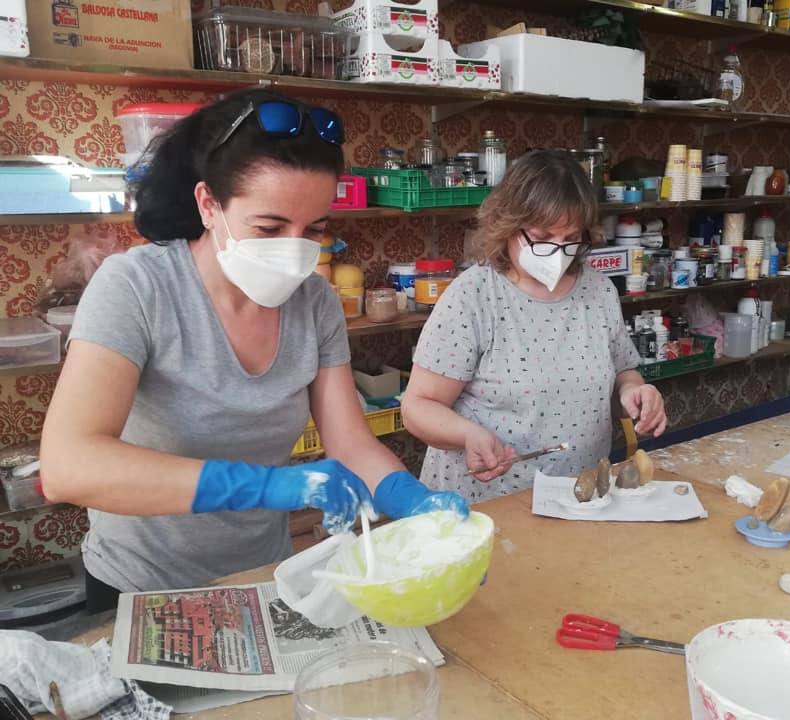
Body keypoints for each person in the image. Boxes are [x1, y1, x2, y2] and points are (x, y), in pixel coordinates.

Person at [39, 89, 467, 612]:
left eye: (314, 229)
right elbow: (69, 466)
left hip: (263, 574)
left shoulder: (315, 302)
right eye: (269, 228)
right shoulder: (136, 287)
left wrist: (410, 499)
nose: (294, 249)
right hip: (141, 583)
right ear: (208, 205)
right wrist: (267, 485)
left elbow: (350, 443)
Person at [402, 150, 667, 502]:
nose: (558, 252)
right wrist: (467, 434)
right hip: (488, 501)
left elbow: (623, 372)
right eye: (542, 238)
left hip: (578, 496)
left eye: (570, 238)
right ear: (507, 226)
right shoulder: (474, 296)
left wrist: (633, 392)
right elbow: (417, 406)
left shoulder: (599, 291)